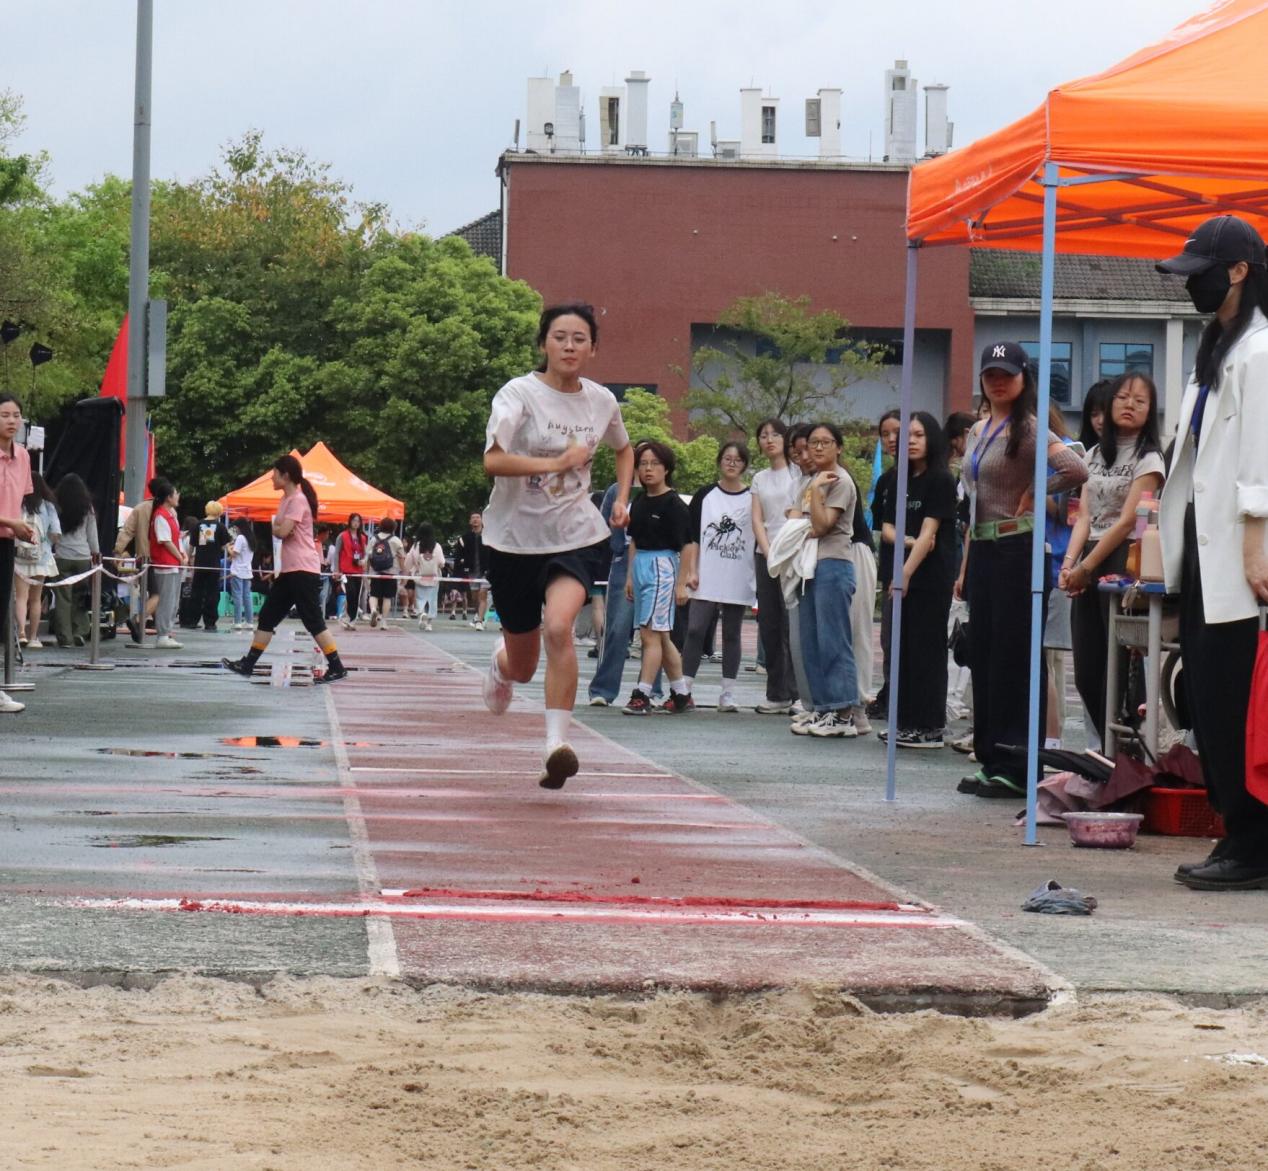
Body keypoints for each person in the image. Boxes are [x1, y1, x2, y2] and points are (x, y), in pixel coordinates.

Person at [1155, 215, 1268, 889]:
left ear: (1239, 271)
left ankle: (1254, 842)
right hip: (1204, 545)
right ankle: (1238, 832)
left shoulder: (1261, 350)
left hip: (1241, 550)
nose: (1191, 283)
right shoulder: (1216, 349)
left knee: (1237, 699)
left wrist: (1256, 540)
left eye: (1201, 272)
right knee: (1207, 692)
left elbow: (1261, 455)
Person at [480, 302, 633, 789]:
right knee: (523, 666)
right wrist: (556, 463)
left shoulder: (601, 401)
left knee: (561, 626)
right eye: (560, 337)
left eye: (579, 339)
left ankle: (556, 746)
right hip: (512, 540)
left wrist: (621, 499)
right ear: (544, 343)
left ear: (593, 348)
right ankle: (500, 664)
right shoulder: (518, 394)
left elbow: (624, 448)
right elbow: (493, 461)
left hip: (575, 535)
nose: (569, 346)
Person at [959, 342, 1087, 797]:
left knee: (1015, 655)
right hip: (984, 547)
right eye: (990, 374)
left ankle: (1017, 765)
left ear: (1023, 379)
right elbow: (972, 497)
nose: (998, 381)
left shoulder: (1030, 428)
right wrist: (965, 564)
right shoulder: (978, 430)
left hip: (1018, 546)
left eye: (1007, 374)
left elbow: (1076, 469)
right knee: (984, 653)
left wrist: (1037, 489)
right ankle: (991, 756)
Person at [1060, 372, 1165, 744]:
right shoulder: (1091, 456)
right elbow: (1083, 517)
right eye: (1123, 397)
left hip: (1124, 561)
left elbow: (1127, 522)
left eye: (1140, 400)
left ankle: (1124, 753)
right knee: (1087, 667)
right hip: (1088, 557)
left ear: (1150, 410)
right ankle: (1107, 750)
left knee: (1120, 666)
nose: (1129, 405)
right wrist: (1070, 563)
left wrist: (1086, 568)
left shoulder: (1149, 458)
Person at [221, 455, 349, 683]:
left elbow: (280, 531)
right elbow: (279, 529)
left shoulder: (298, 500)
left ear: (286, 476)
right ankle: (248, 664)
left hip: (303, 570)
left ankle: (337, 666)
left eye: (274, 473)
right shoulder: (286, 500)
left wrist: (279, 528)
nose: (271, 477)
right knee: (267, 617)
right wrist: (279, 528)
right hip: (290, 570)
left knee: (313, 621)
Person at [880, 411, 958, 748]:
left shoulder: (941, 480)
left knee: (927, 650)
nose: (910, 441)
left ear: (933, 439)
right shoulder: (899, 480)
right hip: (903, 573)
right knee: (904, 650)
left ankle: (930, 726)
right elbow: (887, 529)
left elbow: (930, 534)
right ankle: (907, 721)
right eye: (907, 435)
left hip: (929, 577)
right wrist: (908, 546)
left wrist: (905, 574)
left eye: (919, 435)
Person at [790, 423, 862, 737]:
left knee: (833, 640)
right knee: (811, 641)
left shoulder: (839, 480)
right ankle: (823, 708)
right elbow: (793, 518)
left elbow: (820, 526)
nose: (817, 448)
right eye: (813, 443)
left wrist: (819, 494)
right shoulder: (811, 480)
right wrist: (812, 494)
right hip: (808, 565)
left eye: (825, 442)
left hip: (833, 563)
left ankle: (844, 712)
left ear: (839, 447)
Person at [679, 441, 756, 713]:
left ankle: (728, 693)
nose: (732, 463)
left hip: (738, 572)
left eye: (737, 459)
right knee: (695, 629)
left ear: (744, 465)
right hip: (706, 572)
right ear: (719, 461)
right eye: (727, 458)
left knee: (732, 633)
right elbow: (692, 536)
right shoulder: (705, 495)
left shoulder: (753, 498)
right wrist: (691, 570)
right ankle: (684, 689)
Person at [622, 441, 692, 714]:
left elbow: (687, 545)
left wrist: (681, 583)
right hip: (641, 565)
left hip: (662, 566)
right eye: (643, 464)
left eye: (654, 464)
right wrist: (630, 576)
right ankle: (681, 693)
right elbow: (633, 540)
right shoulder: (639, 501)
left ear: (667, 468)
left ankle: (642, 694)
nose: (648, 469)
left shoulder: (674, 504)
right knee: (661, 636)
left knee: (649, 634)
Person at [749, 417, 800, 714]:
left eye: (774, 434)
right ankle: (776, 692)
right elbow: (757, 519)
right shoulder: (759, 478)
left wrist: (782, 552)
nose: (768, 440)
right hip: (765, 555)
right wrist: (768, 552)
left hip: (793, 555)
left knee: (792, 625)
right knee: (769, 624)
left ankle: (798, 693)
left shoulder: (798, 473)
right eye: (763, 435)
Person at [866, 409, 902, 720]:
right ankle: (890, 694)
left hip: (921, 572)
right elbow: (880, 525)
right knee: (889, 638)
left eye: (897, 432)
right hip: (891, 569)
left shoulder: (931, 477)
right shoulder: (886, 480)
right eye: (885, 434)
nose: (892, 439)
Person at [0, 394, 34, 712]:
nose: (12, 421)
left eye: (16, 415)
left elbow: (19, 501)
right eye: (4, 415)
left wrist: (22, 527)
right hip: (6, 530)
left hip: (6, 542)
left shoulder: (22, 456)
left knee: (1, 614)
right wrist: (12, 522)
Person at [50, 473, 101, 649]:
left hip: (62, 556)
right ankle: (80, 631)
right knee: (79, 596)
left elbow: (52, 532)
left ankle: (65, 638)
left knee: (63, 598)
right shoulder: (87, 508)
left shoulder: (56, 507)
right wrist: (96, 552)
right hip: (83, 557)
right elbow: (92, 534)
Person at [14, 470, 60, 648]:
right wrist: (46, 542)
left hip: (20, 556)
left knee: (20, 597)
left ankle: (21, 633)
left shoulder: (18, 502)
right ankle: (33, 637)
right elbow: (56, 533)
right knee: (36, 599)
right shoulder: (48, 506)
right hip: (41, 557)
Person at [114, 485, 158, 644]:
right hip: (156, 558)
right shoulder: (164, 511)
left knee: (152, 593)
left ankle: (149, 627)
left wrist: (118, 551)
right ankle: (139, 620)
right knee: (158, 595)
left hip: (141, 556)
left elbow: (127, 531)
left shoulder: (139, 508)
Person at [146, 478, 187, 649]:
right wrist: (180, 557)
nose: (178, 496)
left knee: (173, 600)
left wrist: (182, 555)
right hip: (165, 564)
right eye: (175, 493)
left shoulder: (170, 515)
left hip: (174, 564)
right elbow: (165, 541)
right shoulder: (160, 516)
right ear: (168, 497)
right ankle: (162, 634)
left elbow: (176, 539)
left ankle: (167, 632)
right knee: (166, 601)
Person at [190, 501, 231, 632]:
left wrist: (189, 558)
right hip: (214, 565)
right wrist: (232, 552)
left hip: (200, 563)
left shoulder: (198, 525)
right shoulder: (221, 527)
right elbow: (225, 546)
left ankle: (192, 620)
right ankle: (210, 622)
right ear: (219, 512)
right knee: (212, 594)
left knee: (197, 592)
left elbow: (192, 545)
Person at [365, 518, 404, 628]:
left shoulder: (373, 539)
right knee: (387, 597)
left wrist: (367, 571)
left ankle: (373, 610)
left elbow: (368, 556)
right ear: (393, 527)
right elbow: (402, 557)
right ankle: (384, 621)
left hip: (375, 571)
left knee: (373, 594)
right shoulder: (396, 540)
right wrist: (403, 570)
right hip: (391, 572)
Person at [334, 513, 367, 630]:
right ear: (350, 521)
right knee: (350, 593)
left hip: (358, 570)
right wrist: (336, 570)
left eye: (358, 521)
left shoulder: (362, 537)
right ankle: (346, 617)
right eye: (354, 520)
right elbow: (336, 553)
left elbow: (365, 553)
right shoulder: (342, 536)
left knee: (356, 596)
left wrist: (363, 560)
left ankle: (352, 620)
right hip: (346, 571)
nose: (356, 523)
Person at [410, 523, 445, 631]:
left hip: (420, 577)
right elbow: (442, 563)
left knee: (420, 598)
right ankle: (429, 623)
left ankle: (422, 613)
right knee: (432, 600)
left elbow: (410, 560)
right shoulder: (437, 546)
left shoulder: (416, 546)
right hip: (434, 578)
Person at [457, 512, 489, 629]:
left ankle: (479, 621)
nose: (475, 520)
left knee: (482, 594)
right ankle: (479, 615)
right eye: (473, 518)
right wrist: (463, 563)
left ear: (482, 520)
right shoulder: (465, 538)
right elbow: (459, 555)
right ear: (470, 521)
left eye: (478, 517)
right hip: (472, 571)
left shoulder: (488, 536)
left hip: (486, 571)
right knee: (475, 597)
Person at [227, 518, 256, 631]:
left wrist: (228, 548)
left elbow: (234, 554)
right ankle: (249, 622)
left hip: (237, 571)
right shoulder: (251, 538)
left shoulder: (240, 538)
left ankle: (237, 622)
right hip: (247, 571)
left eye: (235, 528)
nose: (235, 530)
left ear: (239, 527)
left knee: (237, 597)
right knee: (247, 597)